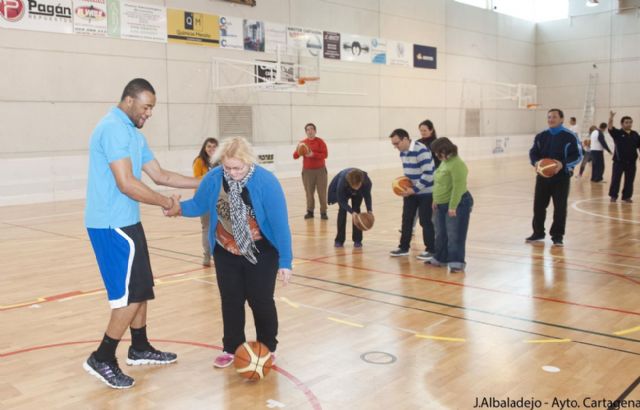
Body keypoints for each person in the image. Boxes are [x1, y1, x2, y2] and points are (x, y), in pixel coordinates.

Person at [83, 78, 200, 389]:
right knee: (130, 295)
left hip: (127, 221)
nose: (149, 113)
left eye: (152, 108)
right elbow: (126, 183)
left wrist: (205, 182)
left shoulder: (133, 135)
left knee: (142, 287)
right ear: (129, 100)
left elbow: (161, 175)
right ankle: (103, 356)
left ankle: (139, 346)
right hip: (111, 224)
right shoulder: (113, 128)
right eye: (146, 106)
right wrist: (166, 203)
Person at [167, 136, 293, 369]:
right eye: (228, 167)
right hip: (225, 250)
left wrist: (286, 261)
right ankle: (231, 346)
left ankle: (267, 346)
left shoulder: (267, 183)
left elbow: (280, 224)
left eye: (238, 168)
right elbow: (198, 205)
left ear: (249, 163)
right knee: (231, 300)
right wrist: (176, 208)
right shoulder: (214, 178)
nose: (233, 173)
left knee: (261, 300)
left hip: (261, 251)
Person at [526, 108, 583, 247]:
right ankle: (538, 232)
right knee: (538, 206)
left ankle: (557, 236)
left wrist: (561, 164)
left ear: (562, 119)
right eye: (549, 117)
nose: (551, 119)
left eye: (554, 117)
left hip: (561, 178)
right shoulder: (541, 136)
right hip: (543, 178)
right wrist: (536, 162)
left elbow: (578, 155)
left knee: (560, 208)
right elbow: (533, 153)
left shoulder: (570, 136)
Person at [427, 138, 473, 273]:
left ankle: (456, 263)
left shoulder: (457, 164)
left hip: (457, 204)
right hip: (441, 204)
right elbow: (439, 182)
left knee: (455, 234)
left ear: (446, 149)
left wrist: (453, 206)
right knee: (440, 233)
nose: (436, 155)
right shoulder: (444, 162)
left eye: (438, 152)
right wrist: (435, 199)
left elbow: (458, 187)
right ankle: (440, 258)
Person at [388, 128, 435, 260]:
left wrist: (414, 189)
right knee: (407, 219)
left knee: (426, 221)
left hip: (426, 192)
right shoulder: (403, 152)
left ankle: (431, 250)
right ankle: (403, 248)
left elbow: (429, 174)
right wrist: (404, 187)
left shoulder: (421, 150)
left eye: (397, 143)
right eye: (393, 144)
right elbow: (409, 173)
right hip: (411, 192)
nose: (395, 147)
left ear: (405, 139)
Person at [327, 168, 373, 248]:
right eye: (354, 186)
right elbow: (341, 200)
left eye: (358, 185)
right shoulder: (342, 182)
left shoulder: (366, 182)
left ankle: (357, 240)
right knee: (342, 210)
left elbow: (367, 195)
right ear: (350, 183)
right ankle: (339, 240)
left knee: (357, 210)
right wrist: (351, 212)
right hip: (344, 189)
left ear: (361, 182)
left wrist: (369, 210)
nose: (356, 188)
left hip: (358, 190)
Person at [293, 123, 329, 220]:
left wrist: (313, 154)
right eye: (308, 129)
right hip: (307, 172)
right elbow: (295, 156)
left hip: (320, 171)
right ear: (306, 132)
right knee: (309, 192)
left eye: (312, 129)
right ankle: (310, 211)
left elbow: (325, 155)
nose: (310, 131)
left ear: (315, 131)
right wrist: (299, 151)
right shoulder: (302, 143)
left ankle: (323, 212)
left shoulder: (320, 142)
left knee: (322, 192)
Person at [193, 138, 219, 266]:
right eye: (209, 146)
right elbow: (197, 181)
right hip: (204, 200)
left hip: (219, 199)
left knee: (221, 228)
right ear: (204, 147)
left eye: (214, 147)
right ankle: (207, 256)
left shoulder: (221, 162)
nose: (211, 149)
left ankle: (219, 255)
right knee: (207, 228)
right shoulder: (199, 161)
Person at [607, 111, 640, 203]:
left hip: (632, 162)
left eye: (630, 122)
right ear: (622, 124)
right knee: (615, 179)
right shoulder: (617, 133)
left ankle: (626, 197)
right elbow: (609, 128)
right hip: (619, 162)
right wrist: (611, 118)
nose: (629, 124)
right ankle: (613, 196)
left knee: (629, 181)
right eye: (626, 122)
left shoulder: (635, 134)